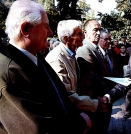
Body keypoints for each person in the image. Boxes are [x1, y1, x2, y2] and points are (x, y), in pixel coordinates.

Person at [0, 0, 92, 133]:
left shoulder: (35, 57)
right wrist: (79, 124)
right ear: (25, 29)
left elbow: (59, 98)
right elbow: (37, 129)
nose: (50, 33)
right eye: (46, 27)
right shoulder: (9, 72)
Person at [45, 20, 107, 123]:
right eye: (79, 33)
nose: (83, 36)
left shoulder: (71, 54)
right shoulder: (56, 59)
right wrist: (95, 104)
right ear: (66, 39)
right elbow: (67, 95)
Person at [76, 19, 113, 134]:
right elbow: (88, 82)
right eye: (95, 30)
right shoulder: (84, 49)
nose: (98, 33)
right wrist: (98, 103)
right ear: (85, 32)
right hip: (95, 103)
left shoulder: (94, 48)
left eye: (99, 30)